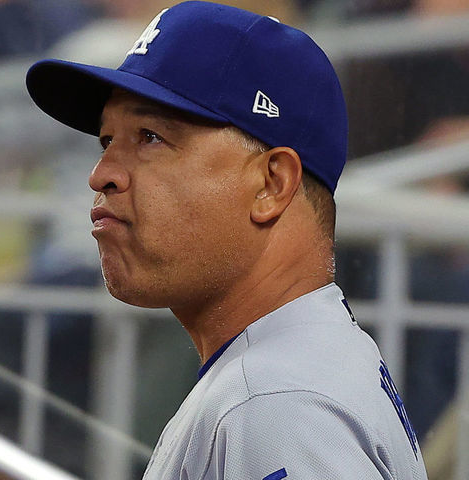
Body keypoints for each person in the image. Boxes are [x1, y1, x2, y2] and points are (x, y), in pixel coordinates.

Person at [26, 1, 429, 478]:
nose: (102, 175)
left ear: (271, 185)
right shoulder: (287, 371)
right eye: (106, 141)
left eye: (150, 137)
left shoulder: (278, 403)